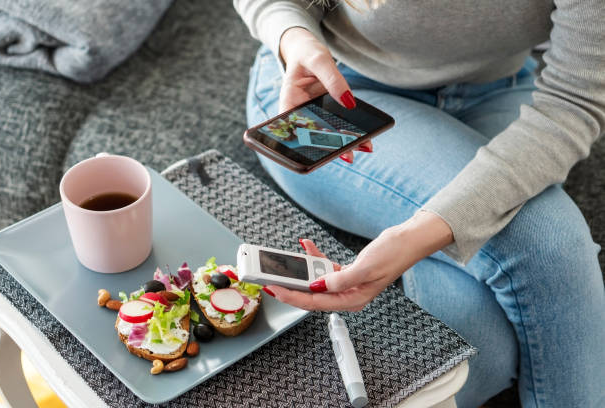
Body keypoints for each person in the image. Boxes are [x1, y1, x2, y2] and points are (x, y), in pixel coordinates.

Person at [234, 1, 605, 407]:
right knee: (550, 244)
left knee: (484, 348)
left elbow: (573, 102)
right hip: (331, 89)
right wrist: (293, 37)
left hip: (501, 88)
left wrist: (417, 238)